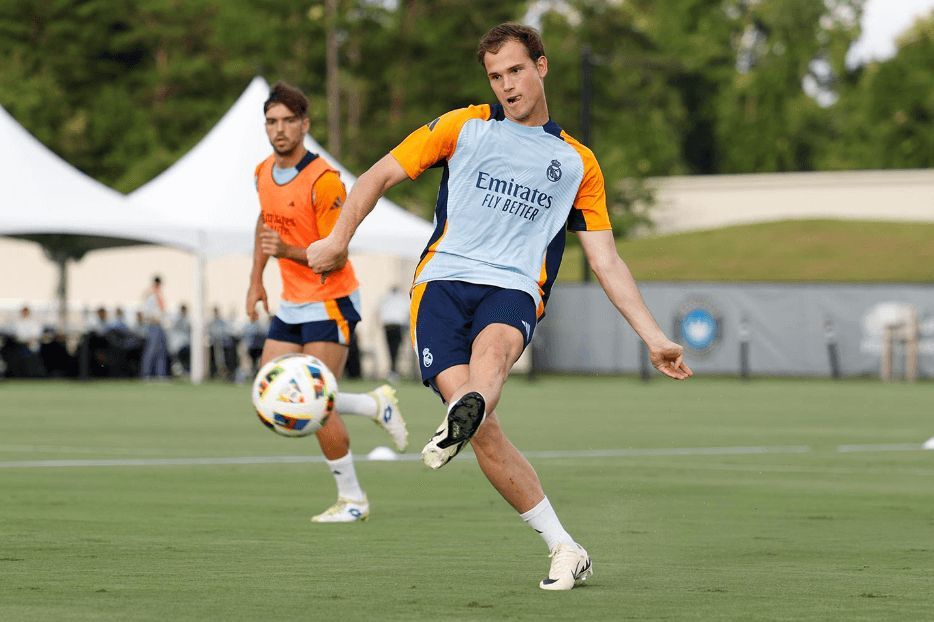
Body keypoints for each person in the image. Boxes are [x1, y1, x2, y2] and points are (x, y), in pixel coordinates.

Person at [306, 23, 693, 590]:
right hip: (441, 281)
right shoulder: (463, 127)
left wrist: (654, 337)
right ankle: (564, 545)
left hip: (513, 287)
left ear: (542, 66)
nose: (507, 85)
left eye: (515, 71)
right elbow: (379, 174)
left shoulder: (577, 164)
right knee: (484, 429)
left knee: (492, 357)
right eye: (495, 76)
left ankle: (467, 408)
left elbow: (607, 261)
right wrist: (339, 238)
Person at [246, 80, 409, 523]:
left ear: (304, 125)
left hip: (331, 298)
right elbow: (266, 224)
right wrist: (256, 280)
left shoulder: (324, 181)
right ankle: (375, 405)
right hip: (292, 302)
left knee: (316, 402)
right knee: (268, 388)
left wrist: (286, 253)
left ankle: (353, 499)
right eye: (271, 122)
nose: (278, 130)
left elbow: (335, 254)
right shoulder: (262, 172)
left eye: (287, 121)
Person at [378, 285, 409, 382]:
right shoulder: (402, 299)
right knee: (394, 350)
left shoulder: (385, 299)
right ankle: (393, 371)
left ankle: (393, 370)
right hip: (396, 327)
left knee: (392, 350)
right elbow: (407, 313)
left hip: (389, 327)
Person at [140, 275, 169, 379]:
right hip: (153, 326)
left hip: (160, 325)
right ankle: (146, 374)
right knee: (151, 350)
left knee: (161, 350)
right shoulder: (151, 295)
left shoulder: (158, 294)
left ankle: (161, 374)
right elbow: (147, 313)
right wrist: (155, 320)